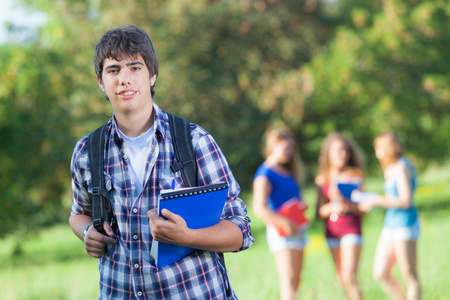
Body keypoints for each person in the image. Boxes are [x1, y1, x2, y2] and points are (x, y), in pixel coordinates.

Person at [69, 25, 254, 299]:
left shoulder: (193, 141)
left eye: (135, 68)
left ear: (152, 75)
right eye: (113, 70)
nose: (124, 79)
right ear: (100, 81)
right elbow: (78, 213)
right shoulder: (87, 151)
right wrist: (87, 233)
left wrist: (187, 237)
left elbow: (241, 229)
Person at [358, 132, 421, 300]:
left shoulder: (401, 167)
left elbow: (405, 201)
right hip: (390, 225)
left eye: (378, 149)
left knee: (409, 273)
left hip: (405, 225)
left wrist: (377, 200)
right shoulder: (391, 169)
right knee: (380, 273)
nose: (377, 153)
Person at [253, 128, 308, 300]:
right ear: (272, 147)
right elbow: (259, 207)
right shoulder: (265, 173)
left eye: (291, 148)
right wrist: (284, 222)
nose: (289, 152)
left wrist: (300, 207)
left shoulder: (288, 170)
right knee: (288, 283)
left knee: (296, 282)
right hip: (282, 231)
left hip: (298, 228)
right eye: (285, 148)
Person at [315, 132, 365, 300]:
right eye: (338, 150)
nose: (342, 154)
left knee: (350, 276)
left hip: (351, 228)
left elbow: (362, 210)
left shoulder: (355, 175)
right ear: (328, 153)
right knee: (342, 279)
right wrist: (331, 207)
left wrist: (345, 202)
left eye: (345, 150)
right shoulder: (322, 179)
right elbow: (318, 213)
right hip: (332, 231)